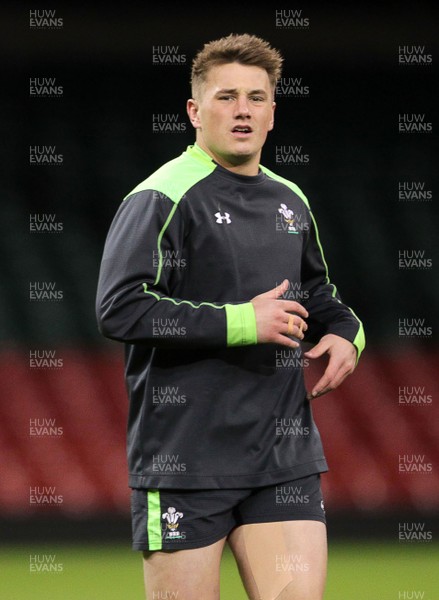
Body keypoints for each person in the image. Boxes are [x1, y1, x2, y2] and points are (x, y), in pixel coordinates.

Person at [96, 33, 365, 600]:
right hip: (185, 458)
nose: (242, 109)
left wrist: (345, 333)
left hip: (280, 454)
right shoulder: (161, 195)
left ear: (272, 112)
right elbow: (119, 306)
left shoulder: (289, 199)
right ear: (194, 111)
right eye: (225, 97)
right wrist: (244, 322)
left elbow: (316, 292)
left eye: (256, 97)